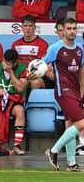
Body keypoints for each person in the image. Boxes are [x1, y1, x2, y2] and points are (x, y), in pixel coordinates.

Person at [42, 18, 84, 171]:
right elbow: (41, 64)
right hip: (63, 91)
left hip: (75, 91)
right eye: (69, 28)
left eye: (74, 28)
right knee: (82, 122)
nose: (72, 31)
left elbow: (82, 71)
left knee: (71, 125)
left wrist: (82, 92)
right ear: (63, 30)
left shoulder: (80, 49)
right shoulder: (56, 48)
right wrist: (35, 72)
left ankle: (71, 163)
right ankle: (53, 151)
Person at [0, 49, 28, 155]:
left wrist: (11, 73)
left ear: (15, 62)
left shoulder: (23, 69)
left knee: (20, 111)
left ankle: (17, 145)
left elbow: (20, 88)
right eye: (5, 62)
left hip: (14, 101)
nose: (6, 65)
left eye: (10, 64)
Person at [12, 14, 50, 89]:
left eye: (30, 26)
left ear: (34, 27)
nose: (28, 29)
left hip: (35, 75)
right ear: (21, 27)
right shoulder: (15, 44)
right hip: (20, 74)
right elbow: (13, 63)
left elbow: (41, 65)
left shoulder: (42, 44)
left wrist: (30, 74)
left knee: (35, 83)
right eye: (25, 26)